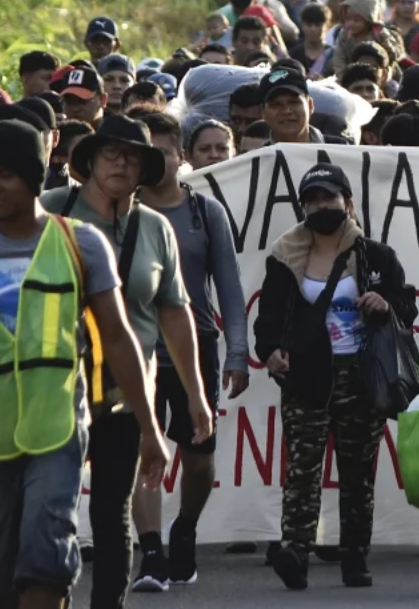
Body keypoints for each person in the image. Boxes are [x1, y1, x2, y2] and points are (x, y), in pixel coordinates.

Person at [0, 118, 169, 609]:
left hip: (58, 431)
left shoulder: (79, 243)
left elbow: (120, 340)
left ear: (34, 177)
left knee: (45, 561)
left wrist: (150, 428)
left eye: (6, 175)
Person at [41, 115, 209, 609]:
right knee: (52, 507)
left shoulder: (155, 229)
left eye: (132, 156)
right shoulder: (52, 211)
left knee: (113, 510)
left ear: (145, 169)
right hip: (53, 383)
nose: (120, 162)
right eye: (109, 153)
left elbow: (176, 316)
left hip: (127, 390)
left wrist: (197, 395)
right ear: (89, 161)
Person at [254, 163, 419, 590]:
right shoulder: (284, 255)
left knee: (357, 472)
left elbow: (406, 306)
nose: (320, 206)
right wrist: (269, 352)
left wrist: (386, 304)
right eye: (311, 200)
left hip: (362, 375)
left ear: (348, 202)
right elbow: (268, 317)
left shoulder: (376, 256)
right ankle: (295, 550)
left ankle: (354, 556)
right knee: (302, 469)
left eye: (328, 197)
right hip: (307, 376)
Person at [130, 112, 249, 590]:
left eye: (165, 151)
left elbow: (230, 289)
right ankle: (152, 551)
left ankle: (185, 529)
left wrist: (238, 352)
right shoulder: (121, 212)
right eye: (148, 152)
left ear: (181, 156)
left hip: (195, 349)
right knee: (144, 450)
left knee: (198, 457)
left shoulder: (206, 212)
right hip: (135, 351)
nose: (157, 161)